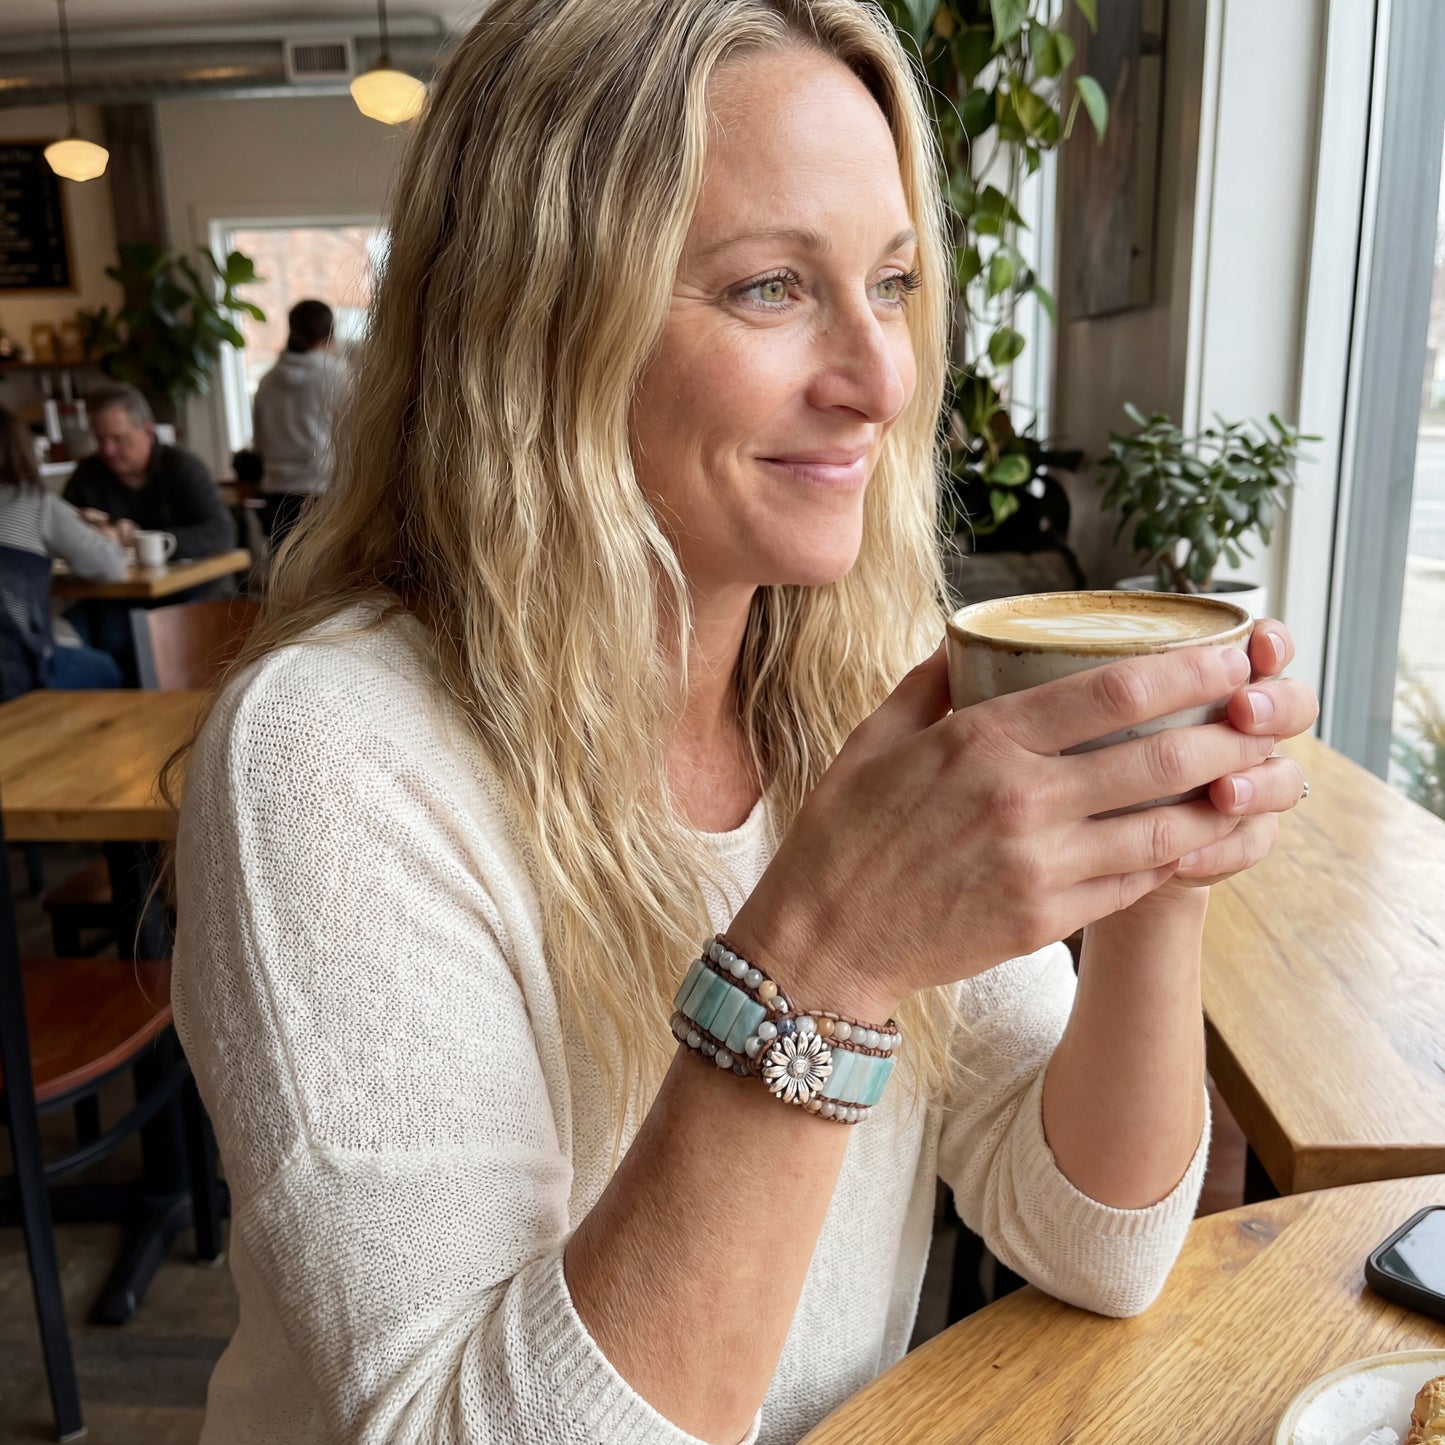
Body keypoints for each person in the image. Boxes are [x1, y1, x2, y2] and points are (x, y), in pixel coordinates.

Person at [170, 3, 1320, 1443]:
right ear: (536, 319)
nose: (884, 380)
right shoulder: (333, 755)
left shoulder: (867, 680)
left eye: (892, 281)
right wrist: (822, 958)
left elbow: (1095, 1240)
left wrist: (1157, 854)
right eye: (773, 286)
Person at [63, 383, 235, 682]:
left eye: (118, 438)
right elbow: (62, 530)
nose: (108, 450)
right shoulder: (88, 474)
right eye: (100, 439)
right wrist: (88, 533)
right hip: (113, 594)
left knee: (123, 636)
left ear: (147, 431)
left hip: (186, 591)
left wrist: (145, 540)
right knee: (76, 638)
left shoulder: (182, 468)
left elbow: (221, 532)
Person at [0, 404, 125, 698]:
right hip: (19, 668)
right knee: (105, 668)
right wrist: (112, 537)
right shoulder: (36, 505)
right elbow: (111, 565)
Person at [252, 299, 348, 550]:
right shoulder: (337, 375)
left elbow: (260, 443)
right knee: (327, 580)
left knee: (286, 577)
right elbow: (358, 437)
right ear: (330, 332)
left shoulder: (267, 382)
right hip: (323, 491)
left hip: (277, 494)